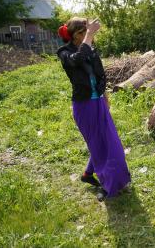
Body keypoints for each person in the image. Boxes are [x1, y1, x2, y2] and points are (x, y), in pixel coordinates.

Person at [57, 17, 131, 201]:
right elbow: (77, 60)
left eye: (88, 32)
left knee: (111, 143)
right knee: (98, 145)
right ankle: (108, 185)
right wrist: (89, 35)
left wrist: (104, 93)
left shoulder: (90, 49)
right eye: (83, 33)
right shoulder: (64, 53)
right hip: (84, 107)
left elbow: (100, 73)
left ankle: (88, 174)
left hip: (98, 101)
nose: (88, 36)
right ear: (75, 35)